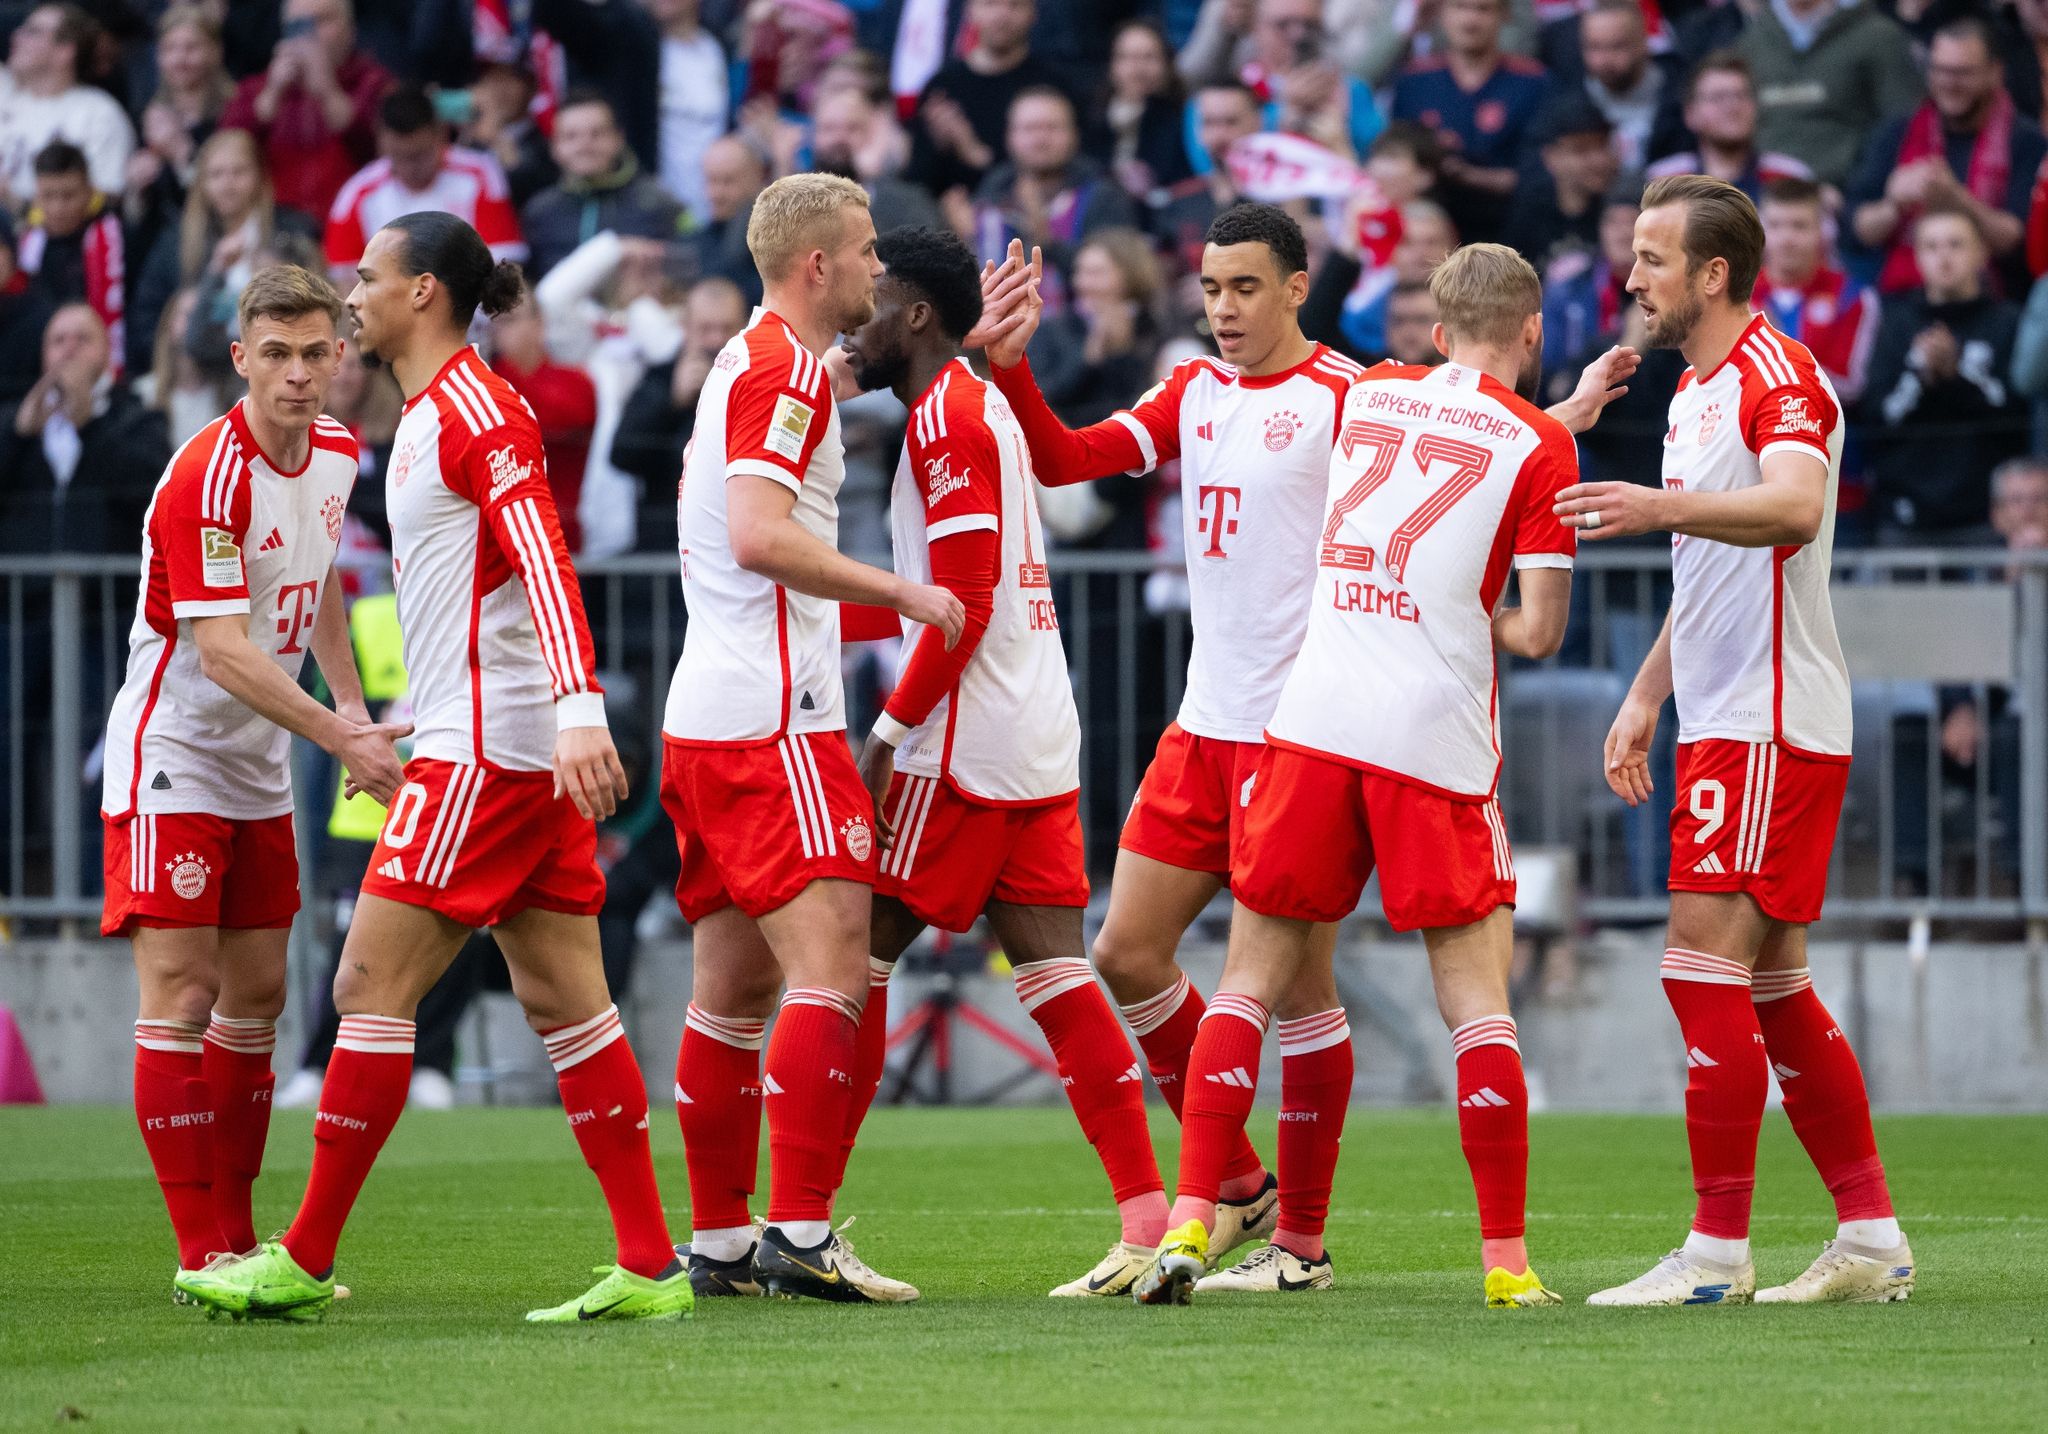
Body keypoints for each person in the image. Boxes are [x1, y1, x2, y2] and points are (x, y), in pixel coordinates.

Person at [979, 208, 1638, 1294]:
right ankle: (1239, 1187)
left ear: (1293, 289)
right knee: (1126, 952)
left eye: (1243, 288)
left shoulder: (1348, 392)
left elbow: (1455, 453)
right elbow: (1063, 460)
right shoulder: (1191, 391)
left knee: (1296, 997)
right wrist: (1010, 370)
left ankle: (1299, 1242)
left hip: (1306, 726)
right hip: (1204, 726)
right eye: (1207, 289)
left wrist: (1549, 417)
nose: (1222, 310)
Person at [175, 214, 688, 1324]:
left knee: (366, 988)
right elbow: (485, 596)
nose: (349, 295)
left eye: (366, 277)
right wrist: (413, 710)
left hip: (488, 760)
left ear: (421, 293)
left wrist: (578, 710)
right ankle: (651, 1265)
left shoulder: (475, 411)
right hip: (489, 741)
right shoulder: (427, 417)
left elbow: (546, 561)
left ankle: (303, 1257)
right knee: (569, 1005)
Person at [1130, 240, 1580, 1311]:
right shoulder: (1539, 446)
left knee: (1245, 982)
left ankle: (1194, 1212)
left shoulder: (1368, 393)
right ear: (1529, 332)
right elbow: (1537, 635)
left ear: (1432, 331)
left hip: (1311, 725)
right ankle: (1505, 1263)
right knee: (1474, 1005)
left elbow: (1430, 441)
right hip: (1430, 741)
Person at [1559, 173, 1912, 1306]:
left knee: (1692, 966)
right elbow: (1708, 571)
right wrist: (1642, 694)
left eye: (1651, 259)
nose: (1630, 279)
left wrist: (1653, 508)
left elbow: (1794, 508)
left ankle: (1714, 1254)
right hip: (1722, 718)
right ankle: (1867, 1240)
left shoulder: (1777, 373)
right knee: (1771, 992)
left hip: (1767, 723)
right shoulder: (1692, 390)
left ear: (1712, 273)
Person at [836, 223, 1166, 1297]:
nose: (860, 319)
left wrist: (884, 735)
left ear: (919, 315)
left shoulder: (943, 421)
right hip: (1031, 726)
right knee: (1057, 975)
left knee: (852, 961)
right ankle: (1151, 1218)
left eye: (875, 301)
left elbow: (962, 603)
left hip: (961, 741)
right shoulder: (962, 401)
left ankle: (798, 1221)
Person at [661, 174, 963, 1303]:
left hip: (711, 716)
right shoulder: (780, 372)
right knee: (837, 958)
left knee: (729, 992)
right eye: (867, 251)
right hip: (774, 722)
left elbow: (790, 424)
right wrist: (903, 592)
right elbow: (755, 534)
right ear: (818, 267)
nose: (880, 269)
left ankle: (723, 1242)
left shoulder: (760, 363)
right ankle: (796, 1229)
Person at [97, 264, 401, 1295]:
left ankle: (238, 1238)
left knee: (259, 999)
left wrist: (352, 705)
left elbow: (311, 586)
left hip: (260, 761)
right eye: (276, 354)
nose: (300, 375)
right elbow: (223, 650)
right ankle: (199, 1252)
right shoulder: (206, 476)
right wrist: (342, 743)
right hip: (176, 753)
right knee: (181, 993)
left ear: (341, 359)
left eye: (318, 352)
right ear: (241, 360)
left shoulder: (342, 457)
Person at [1846, 15, 2046, 297]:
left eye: (1963, 73)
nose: (1949, 83)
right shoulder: (1897, 132)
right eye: (1940, 70)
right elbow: (1857, 230)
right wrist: (1893, 204)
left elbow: (2019, 243)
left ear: (1995, 72)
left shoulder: (2026, 141)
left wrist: (1957, 200)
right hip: (1904, 301)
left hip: (1994, 303)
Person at [1860, 205, 2025, 545]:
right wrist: (1920, 375)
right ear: (1917, 257)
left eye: (1955, 245)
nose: (1944, 257)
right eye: (1932, 247)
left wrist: (1957, 372)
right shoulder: (1895, 321)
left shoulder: (2006, 321)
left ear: (1981, 254)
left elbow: (2017, 414)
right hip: (1904, 514)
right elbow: (1875, 414)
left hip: (1985, 516)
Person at [0, 303, 166, 556]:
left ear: (107, 350)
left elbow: (154, 487)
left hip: (108, 586)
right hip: (27, 589)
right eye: (58, 340)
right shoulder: (17, 419)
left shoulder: (137, 415)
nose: (69, 348)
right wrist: (16, 436)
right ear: (43, 355)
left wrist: (89, 425)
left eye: (83, 339)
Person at [219, 0, 394, 223]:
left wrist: (328, 92)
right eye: (299, 24)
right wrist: (271, 97)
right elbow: (224, 152)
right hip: (275, 229)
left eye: (322, 20)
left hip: (354, 224)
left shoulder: (374, 82)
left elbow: (381, 151)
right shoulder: (258, 89)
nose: (309, 34)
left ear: (351, 30)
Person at [323, 87, 525, 279]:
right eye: (399, 156)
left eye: (419, 155)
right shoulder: (356, 195)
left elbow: (504, 264)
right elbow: (345, 282)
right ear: (381, 140)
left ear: (440, 134)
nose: (410, 167)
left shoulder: (480, 175)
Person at [1390, 0, 1548, 243]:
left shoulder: (1534, 83)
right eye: (1460, 7)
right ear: (1441, 13)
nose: (1470, 20)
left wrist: (1468, 174)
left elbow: (1544, 177)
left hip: (1511, 233)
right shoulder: (1414, 81)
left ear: (1504, 16)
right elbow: (1394, 162)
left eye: (1483, 9)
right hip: (1426, 235)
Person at [969, 87, 1139, 303]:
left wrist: (1046, 241)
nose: (1041, 139)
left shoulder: (1104, 195)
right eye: (1029, 129)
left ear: (1074, 134)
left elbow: (1124, 274)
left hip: (1078, 329)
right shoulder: (987, 198)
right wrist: (964, 239)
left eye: (1052, 128)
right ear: (1009, 136)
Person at [906, 0, 1066, 201]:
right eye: (990, 4)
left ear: (1033, 13)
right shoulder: (942, 87)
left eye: (1015, 5)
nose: (1002, 15)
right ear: (970, 10)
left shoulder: (1053, 88)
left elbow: (1069, 171)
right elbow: (916, 181)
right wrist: (938, 145)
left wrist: (973, 152)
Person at [520, 91, 683, 282]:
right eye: (571, 136)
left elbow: (685, 270)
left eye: (597, 134)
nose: (585, 145)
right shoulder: (539, 212)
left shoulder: (658, 202)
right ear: (554, 146)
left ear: (618, 138)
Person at [1757, 177, 1878, 404]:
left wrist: (1779, 350)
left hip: (1825, 432)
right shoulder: (1735, 293)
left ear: (1824, 231)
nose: (1786, 239)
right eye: (1774, 225)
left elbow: (1851, 388)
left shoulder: (1852, 296)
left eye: (1799, 226)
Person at [0, 3, 135, 205]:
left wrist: (18, 204)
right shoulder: (7, 98)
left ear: (65, 50)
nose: (17, 37)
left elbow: (104, 201)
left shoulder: (98, 113)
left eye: (32, 32)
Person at [1644, 52, 1813, 203]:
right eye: (1718, 97)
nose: (1732, 106)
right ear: (1690, 114)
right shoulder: (1664, 182)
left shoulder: (1790, 177)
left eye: (1741, 95)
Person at [17, 140, 124, 370]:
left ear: (89, 191)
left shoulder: (119, 239)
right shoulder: (25, 247)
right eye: (48, 196)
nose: (57, 208)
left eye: (68, 195)